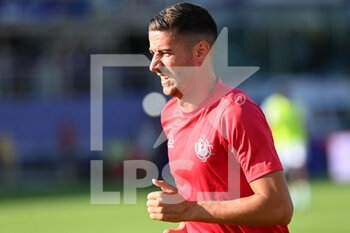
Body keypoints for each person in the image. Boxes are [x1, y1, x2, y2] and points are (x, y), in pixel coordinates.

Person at [146, 2, 293, 233]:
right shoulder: (170, 114)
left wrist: (189, 210)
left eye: (165, 53)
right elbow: (202, 202)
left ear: (201, 52)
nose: (154, 65)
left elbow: (279, 207)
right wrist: (185, 227)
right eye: (153, 53)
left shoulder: (237, 112)